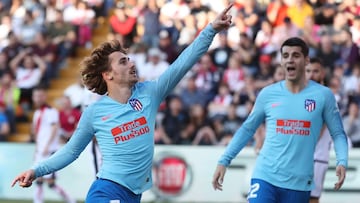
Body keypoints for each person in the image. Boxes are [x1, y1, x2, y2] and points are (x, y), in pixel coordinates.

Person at [11, 4, 233, 203]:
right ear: (108, 75)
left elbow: (184, 62)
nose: (131, 64)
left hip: (133, 195)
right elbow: (70, 151)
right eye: (123, 61)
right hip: (107, 191)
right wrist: (36, 170)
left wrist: (211, 29)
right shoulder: (94, 112)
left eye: (129, 59)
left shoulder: (150, 93)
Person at [212, 37, 349, 203]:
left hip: (299, 183)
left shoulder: (323, 96)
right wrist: (224, 160)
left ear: (306, 61)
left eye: (296, 55)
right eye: (286, 55)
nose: (290, 59)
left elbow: (338, 133)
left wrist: (342, 161)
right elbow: (247, 129)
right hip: (265, 177)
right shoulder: (268, 94)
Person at [30, 86, 75, 203]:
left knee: (50, 183)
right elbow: (37, 132)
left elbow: (55, 128)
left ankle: (70, 200)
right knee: (38, 179)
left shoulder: (51, 111)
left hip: (49, 151)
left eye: (40, 96)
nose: (37, 98)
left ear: (45, 96)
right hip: (40, 150)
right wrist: (37, 149)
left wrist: (47, 145)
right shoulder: (37, 113)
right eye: (35, 96)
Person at [306, 57, 331, 203]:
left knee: (312, 199)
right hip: (303, 157)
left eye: (315, 71)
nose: (311, 75)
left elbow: (318, 129)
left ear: (322, 74)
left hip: (316, 157)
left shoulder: (326, 96)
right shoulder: (302, 95)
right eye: (308, 71)